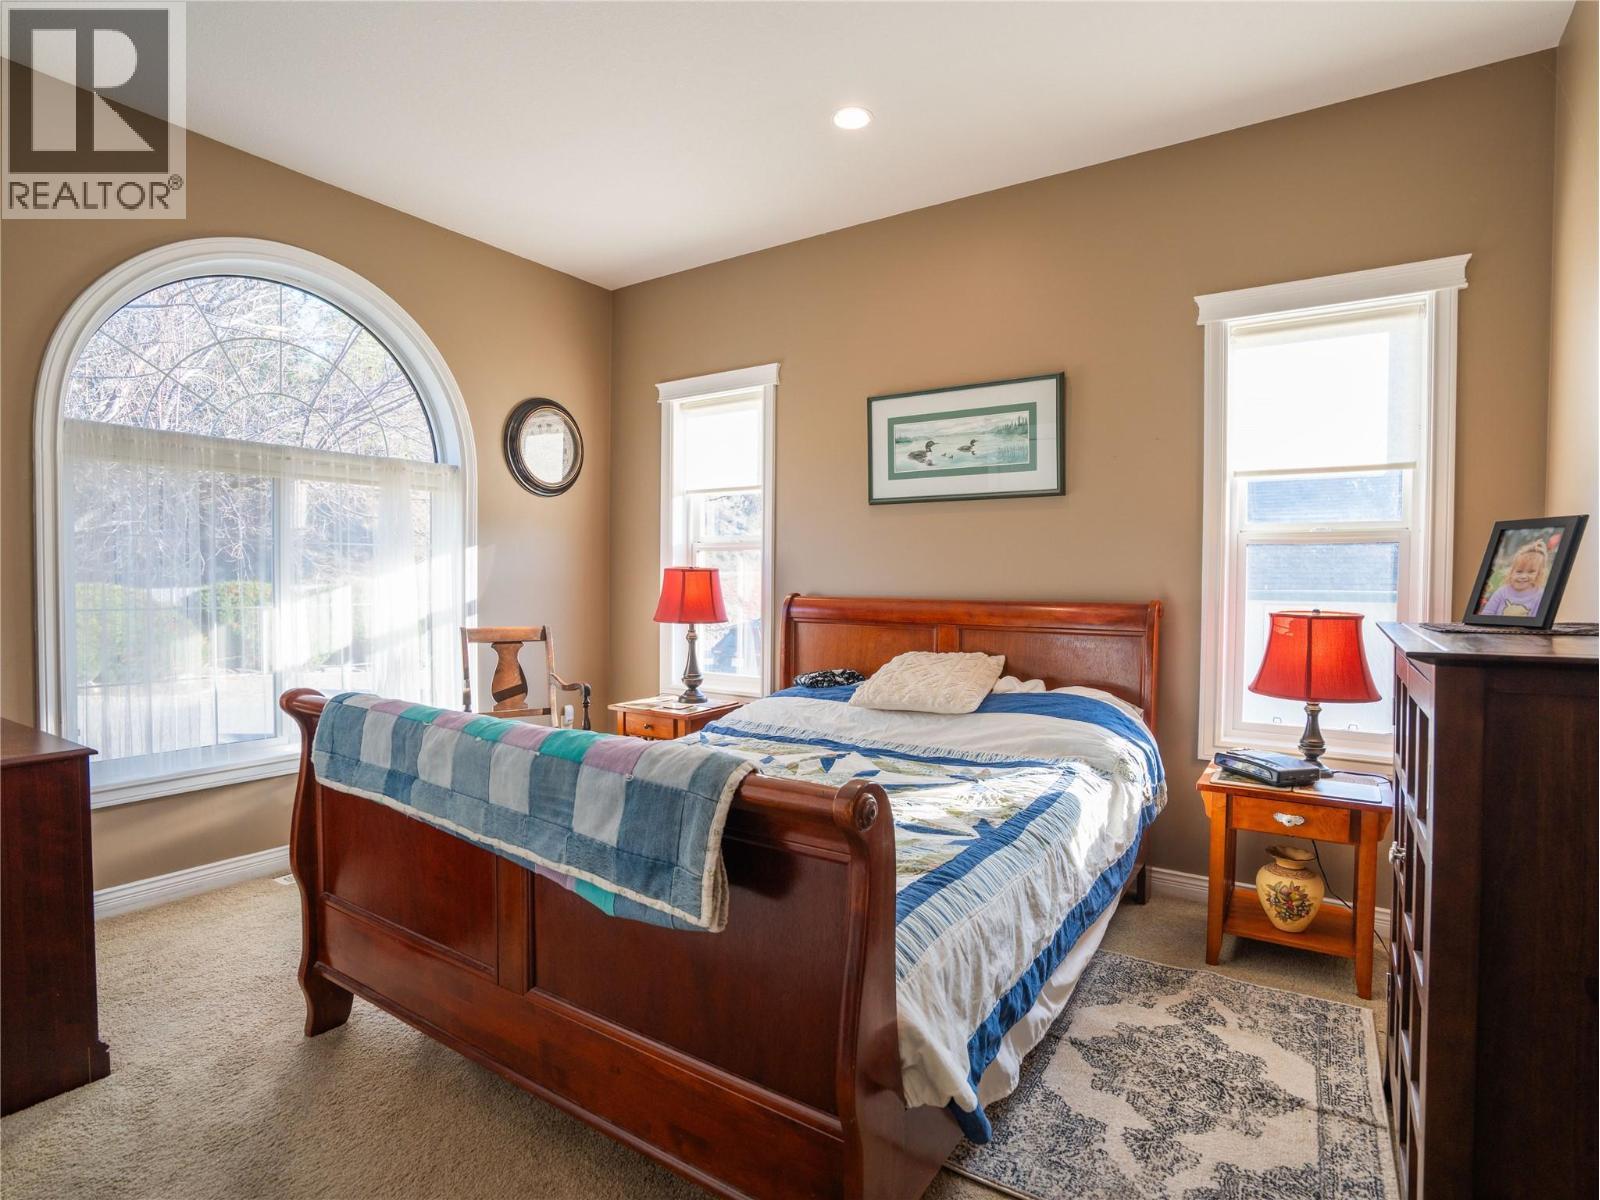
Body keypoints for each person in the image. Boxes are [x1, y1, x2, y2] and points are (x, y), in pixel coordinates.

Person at [1479, 538, 1550, 617]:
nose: (1523, 576)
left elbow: (1537, 620)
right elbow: (1487, 614)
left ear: (1539, 573)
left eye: (1531, 572)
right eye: (1519, 571)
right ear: (1512, 572)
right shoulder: (1502, 592)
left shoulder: (1540, 595)